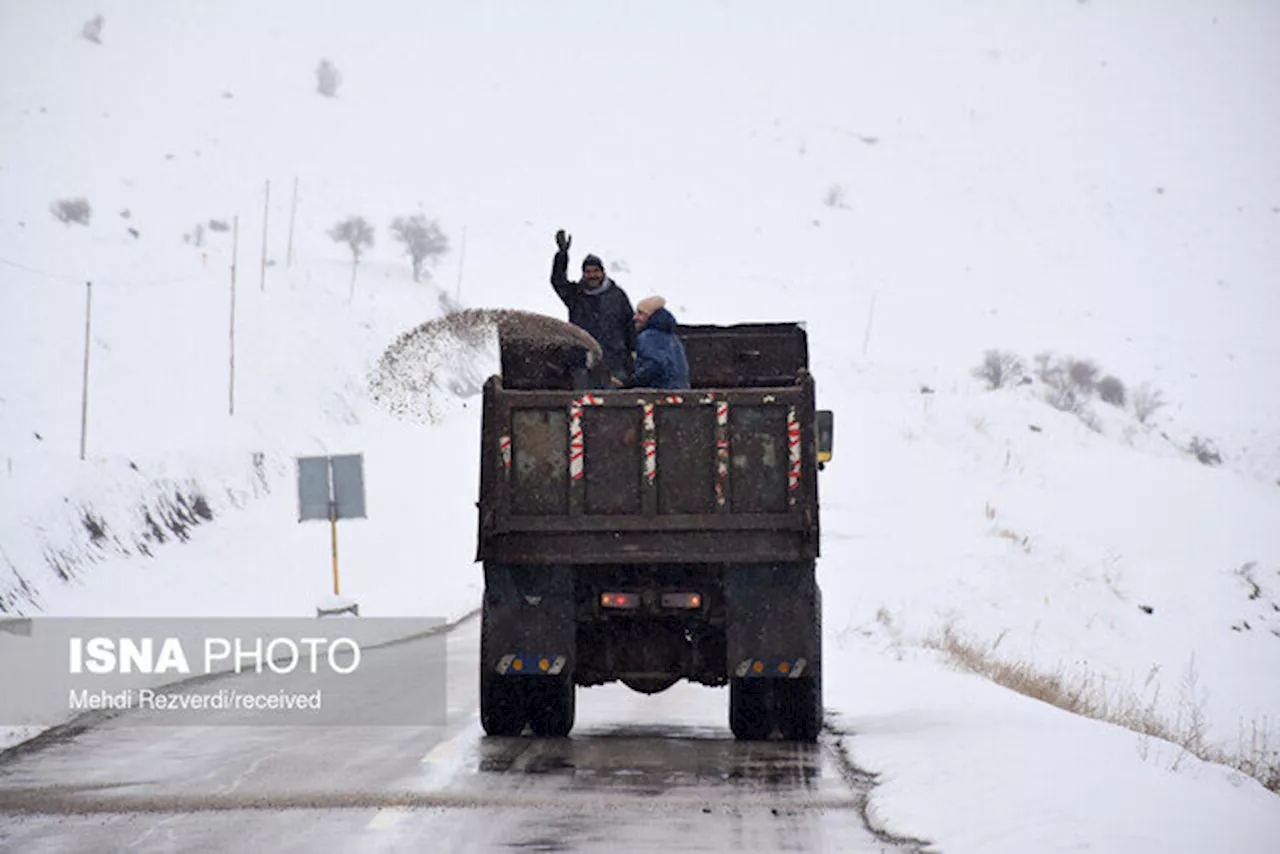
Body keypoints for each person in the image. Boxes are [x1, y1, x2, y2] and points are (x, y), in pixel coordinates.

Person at [550, 230, 635, 385]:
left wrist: (632, 354)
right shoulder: (576, 295)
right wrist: (562, 255)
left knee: (615, 404)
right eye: (588, 272)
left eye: (596, 271)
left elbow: (630, 325)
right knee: (585, 402)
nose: (592, 275)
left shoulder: (617, 295)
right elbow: (558, 281)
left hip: (614, 361)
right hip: (583, 360)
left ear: (603, 272)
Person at [631, 296, 690, 390]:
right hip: (680, 392)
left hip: (658, 393)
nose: (635, 317)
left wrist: (633, 381)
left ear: (651, 316)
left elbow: (653, 365)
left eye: (640, 313)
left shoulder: (648, 337)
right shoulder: (673, 339)